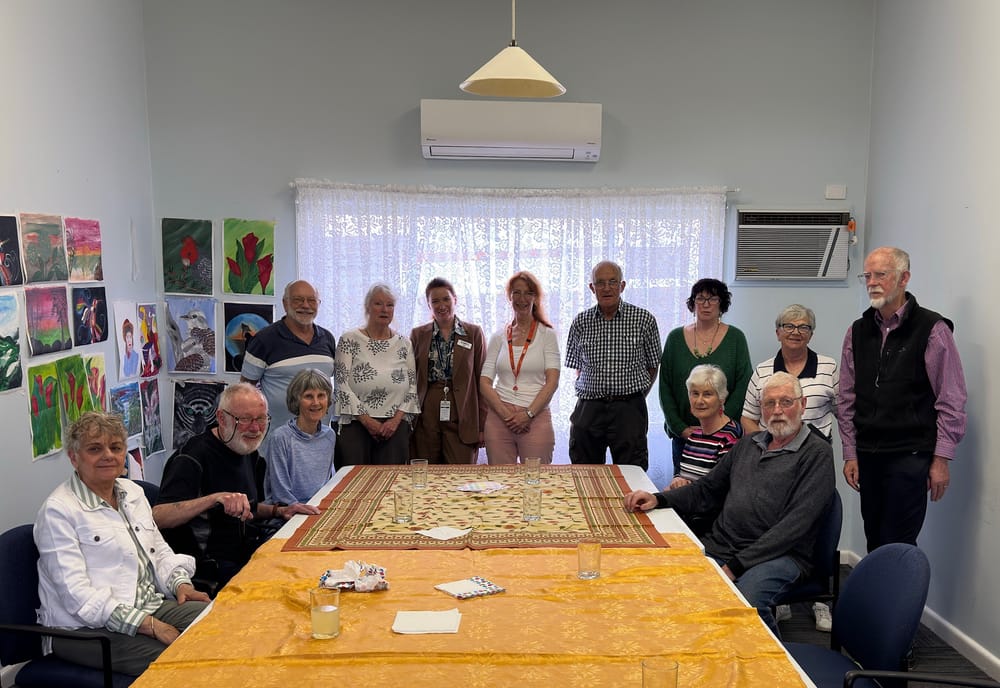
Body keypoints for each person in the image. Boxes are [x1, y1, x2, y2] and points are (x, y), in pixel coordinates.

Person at [625, 372, 835, 637]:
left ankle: (772, 674)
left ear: (802, 405)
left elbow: (794, 527)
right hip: (724, 543)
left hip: (781, 555)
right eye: (769, 403)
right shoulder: (748, 444)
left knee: (745, 602)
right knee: (670, 580)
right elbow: (707, 489)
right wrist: (659, 498)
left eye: (786, 402)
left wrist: (737, 565)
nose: (777, 410)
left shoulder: (817, 454)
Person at [34, 412, 211, 676]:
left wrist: (180, 583)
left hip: (147, 604)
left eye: (115, 447)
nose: (108, 455)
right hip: (84, 630)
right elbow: (78, 597)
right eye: (95, 449)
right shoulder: (58, 511)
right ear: (74, 457)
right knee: (183, 664)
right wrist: (149, 625)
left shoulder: (132, 492)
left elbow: (158, 550)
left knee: (222, 624)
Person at [837, 246, 967, 553]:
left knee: (898, 545)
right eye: (867, 275)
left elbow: (951, 399)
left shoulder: (932, 329)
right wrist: (850, 453)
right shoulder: (857, 331)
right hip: (868, 454)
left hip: (910, 455)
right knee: (875, 540)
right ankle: (875, 601)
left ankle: (895, 601)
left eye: (881, 275)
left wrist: (941, 460)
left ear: (904, 278)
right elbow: (846, 398)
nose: (872, 282)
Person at [153, 383, 318, 591]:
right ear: (222, 419)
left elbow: (249, 508)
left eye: (261, 419)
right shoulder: (191, 457)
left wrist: (280, 510)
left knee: (308, 568)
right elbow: (158, 516)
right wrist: (214, 498)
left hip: (244, 551)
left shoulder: (247, 449)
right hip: (210, 568)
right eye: (246, 420)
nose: (256, 428)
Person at [742, 303, 839, 632]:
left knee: (813, 531)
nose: (796, 332)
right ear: (777, 331)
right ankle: (777, 601)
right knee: (778, 529)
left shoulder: (828, 367)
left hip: (814, 464)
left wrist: (852, 457)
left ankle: (820, 602)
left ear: (812, 333)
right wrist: (766, 447)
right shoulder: (763, 369)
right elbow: (748, 415)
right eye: (789, 325)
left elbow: (846, 414)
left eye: (803, 327)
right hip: (774, 465)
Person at [565, 261, 661, 470]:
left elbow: (653, 365)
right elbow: (578, 368)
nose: (606, 288)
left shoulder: (644, 320)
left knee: (632, 473)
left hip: (629, 409)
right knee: (585, 472)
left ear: (622, 285)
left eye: (612, 282)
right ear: (592, 287)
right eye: (600, 283)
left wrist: (636, 396)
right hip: (589, 407)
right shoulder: (580, 322)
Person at [659, 278, 751, 476]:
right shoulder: (675, 338)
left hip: (723, 438)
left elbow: (744, 383)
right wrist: (679, 428)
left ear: (722, 303)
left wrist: (723, 425)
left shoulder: (736, 338)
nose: (706, 304)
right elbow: (665, 387)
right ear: (692, 303)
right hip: (685, 436)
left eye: (713, 299)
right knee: (682, 489)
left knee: (719, 492)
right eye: (700, 298)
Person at [240, 280, 337, 454]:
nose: (306, 305)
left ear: (318, 304)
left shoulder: (327, 338)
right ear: (285, 303)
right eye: (298, 300)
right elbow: (245, 390)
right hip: (277, 443)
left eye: (311, 300)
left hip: (319, 441)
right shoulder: (264, 340)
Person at [480, 271, 561, 464]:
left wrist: (528, 414)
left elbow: (552, 382)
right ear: (510, 297)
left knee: (535, 481)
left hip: (536, 416)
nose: (522, 299)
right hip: (499, 418)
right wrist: (505, 413)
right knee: (500, 483)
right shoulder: (498, 337)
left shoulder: (547, 335)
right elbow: (484, 382)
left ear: (535, 297)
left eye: (528, 293)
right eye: (517, 292)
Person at [335, 283, 420, 466]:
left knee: (391, 483)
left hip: (395, 425)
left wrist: (395, 421)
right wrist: (368, 421)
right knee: (355, 483)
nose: (384, 309)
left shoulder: (404, 343)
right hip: (356, 423)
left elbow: (412, 386)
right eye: (378, 304)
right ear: (367, 307)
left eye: (390, 305)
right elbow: (341, 383)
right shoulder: (349, 339)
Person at [410, 277, 487, 464]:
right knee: (426, 471)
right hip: (427, 409)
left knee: (461, 474)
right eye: (435, 301)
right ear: (428, 305)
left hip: (463, 411)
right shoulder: (418, 334)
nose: (441, 305)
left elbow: (482, 380)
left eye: (446, 299)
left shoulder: (473, 333)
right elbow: (409, 379)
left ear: (455, 299)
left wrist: (483, 424)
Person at [265, 368, 337, 505]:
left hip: (320, 508)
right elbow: (281, 495)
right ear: (296, 400)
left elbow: (327, 483)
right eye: (309, 396)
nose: (316, 403)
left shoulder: (329, 436)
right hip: (289, 514)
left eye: (321, 395)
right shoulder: (280, 438)